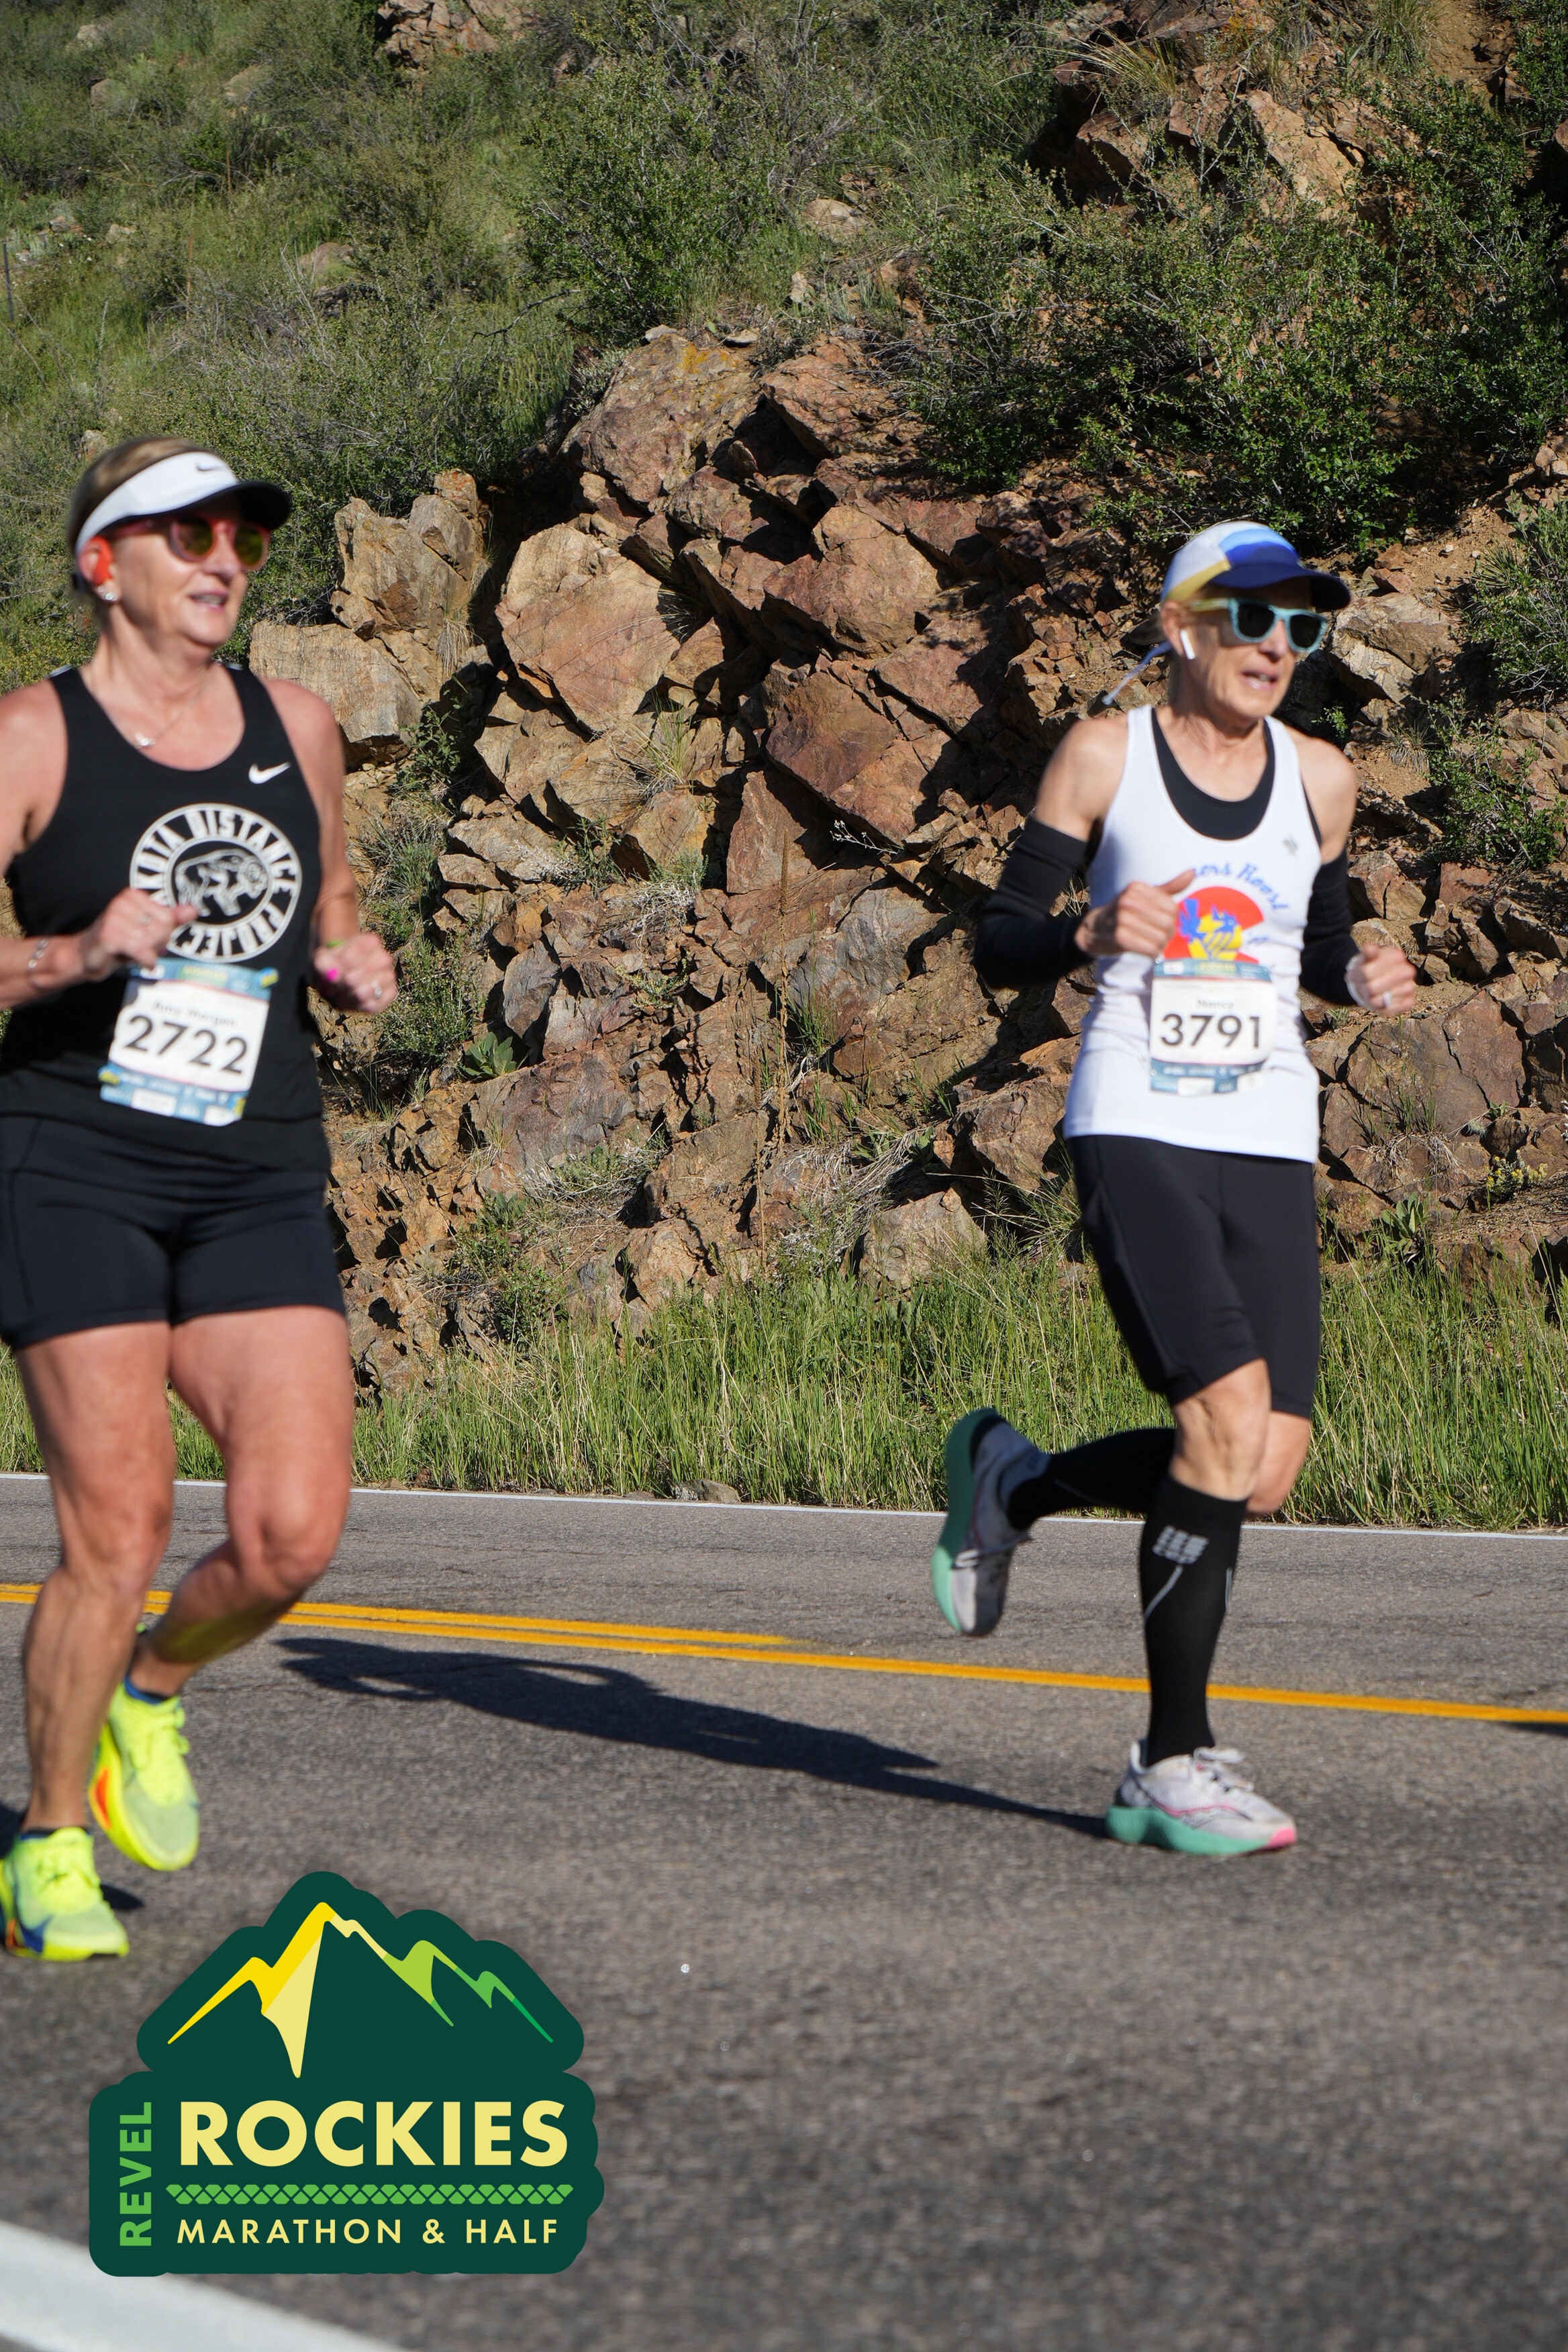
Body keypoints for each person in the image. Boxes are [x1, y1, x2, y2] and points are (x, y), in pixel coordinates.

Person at [931, 521, 1416, 1856]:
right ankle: (1170, 1762)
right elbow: (999, 940)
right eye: (1251, 617)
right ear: (1181, 626)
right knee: (1224, 1418)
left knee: (1261, 1469)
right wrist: (1085, 929)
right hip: (1138, 1115)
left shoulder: (1321, 777)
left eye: (1300, 624)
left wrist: (1359, 972)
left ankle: (1014, 1485)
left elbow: (1318, 942)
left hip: (1266, 1124)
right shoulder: (1106, 756)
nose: (1278, 644)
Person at [0, 436, 397, 1959]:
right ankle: (48, 1843)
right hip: (73, 1160)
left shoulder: (296, 726)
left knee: (292, 1531)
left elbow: (331, 904)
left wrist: (349, 962)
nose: (225, 559)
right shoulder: (32, 738)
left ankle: (148, 1691)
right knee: (119, 1530)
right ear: (106, 563)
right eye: (190, 535)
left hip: (252, 1166)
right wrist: (77, 953)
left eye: (241, 537)